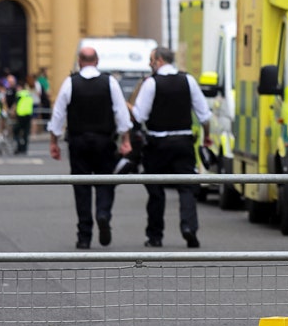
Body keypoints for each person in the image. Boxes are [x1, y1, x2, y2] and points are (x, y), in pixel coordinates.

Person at [47, 47, 134, 249]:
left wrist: (54, 141)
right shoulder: (109, 82)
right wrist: (126, 139)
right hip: (104, 141)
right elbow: (122, 113)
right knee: (106, 182)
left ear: (79, 61)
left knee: (81, 187)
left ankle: (84, 236)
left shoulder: (71, 83)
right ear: (97, 61)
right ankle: (103, 214)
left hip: (78, 142)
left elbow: (58, 114)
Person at [131, 47, 213, 248]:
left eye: (151, 60)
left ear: (159, 60)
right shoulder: (188, 80)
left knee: (156, 190)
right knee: (187, 187)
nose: (150, 64)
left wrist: (128, 106)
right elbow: (204, 115)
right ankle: (189, 228)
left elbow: (140, 116)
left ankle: (155, 235)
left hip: (157, 143)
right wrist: (207, 136)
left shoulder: (151, 83)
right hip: (184, 141)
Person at [12, 77, 34, 154]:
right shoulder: (28, 93)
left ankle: (19, 146)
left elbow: (15, 104)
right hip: (28, 114)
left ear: (20, 87)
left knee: (16, 131)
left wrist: (13, 112)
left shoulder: (19, 94)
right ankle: (24, 148)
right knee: (26, 132)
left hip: (21, 115)